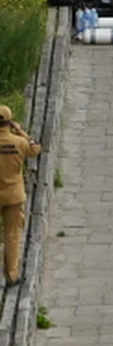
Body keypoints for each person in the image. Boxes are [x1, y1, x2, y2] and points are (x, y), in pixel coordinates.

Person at [0, 106, 39, 287]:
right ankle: (12, 275)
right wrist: (21, 132)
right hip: (13, 195)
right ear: (9, 122)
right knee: (12, 235)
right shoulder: (19, 142)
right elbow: (35, 149)